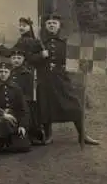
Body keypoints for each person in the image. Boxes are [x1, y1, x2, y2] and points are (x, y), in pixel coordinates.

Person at [31, 13, 100, 145]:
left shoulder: (65, 43)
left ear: (59, 26)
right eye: (49, 23)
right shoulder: (38, 43)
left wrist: (84, 65)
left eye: (54, 23)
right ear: (45, 26)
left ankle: (83, 135)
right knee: (46, 107)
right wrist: (41, 55)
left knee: (75, 105)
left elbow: (74, 60)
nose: (51, 25)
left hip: (61, 78)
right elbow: (30, 59)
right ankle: (49, 136)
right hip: (44, 79)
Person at [0, 62, 31, 153]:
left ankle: (10, 141)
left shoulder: (16, 88)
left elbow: (23, 109)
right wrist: (2, 114)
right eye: (1, 71)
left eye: (6, 72)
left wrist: (22, 125)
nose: (3, 74)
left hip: (14, 120)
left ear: (10, 73)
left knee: (23, 147)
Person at [9, 48, 42, 144]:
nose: (16, 60)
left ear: (23, 59)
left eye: (19, 58)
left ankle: (29, 134)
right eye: (14, 58)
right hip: (8, 101)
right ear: (10, 60)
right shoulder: (7, 72)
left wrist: (20, 101)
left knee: (26, 110)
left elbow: (29, 94)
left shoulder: (27, 74)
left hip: (23, 102)